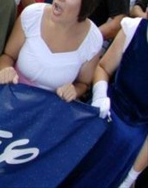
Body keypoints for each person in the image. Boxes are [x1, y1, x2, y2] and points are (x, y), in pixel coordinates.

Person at [0, 0, 103, 102]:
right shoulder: (32, 15)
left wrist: (75, 90)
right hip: (13, 101)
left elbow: (83, 83)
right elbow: (7, 56)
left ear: (87, 3)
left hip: (51, 115)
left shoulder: (93, 40)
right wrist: (5, 69)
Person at [63, 17, 148, 188]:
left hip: (130, 142)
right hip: (102, 113)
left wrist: (130, 178)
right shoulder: (133, 28)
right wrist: (100, 97)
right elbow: (103, 68)